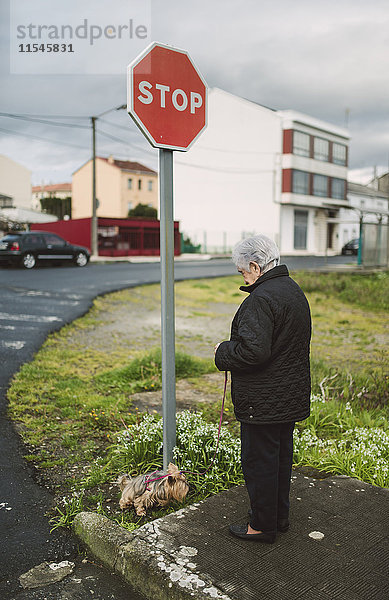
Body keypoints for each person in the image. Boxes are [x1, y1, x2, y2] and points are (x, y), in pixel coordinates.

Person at [214, 234, 311, 543]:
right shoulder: (293, 290)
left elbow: (253, 352)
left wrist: (223, 352)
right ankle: (277, 519)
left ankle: (261, 527)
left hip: (263, 401)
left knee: (260, 463)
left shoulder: (260, 299)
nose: (242, 277)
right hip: (288, 396)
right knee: (280, 459)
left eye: (243, 272)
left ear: (255, 266)